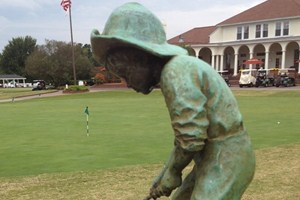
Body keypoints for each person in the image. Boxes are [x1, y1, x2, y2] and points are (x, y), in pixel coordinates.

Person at [91, 2, 255, 200]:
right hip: (211, 156)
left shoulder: (175, 71)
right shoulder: (178, 68)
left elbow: (191, 140)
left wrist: (172, 173)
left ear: (141, 58)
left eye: (126, 73)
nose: (127, 83)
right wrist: (165, 174)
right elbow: (183, 140)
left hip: (227, 158)